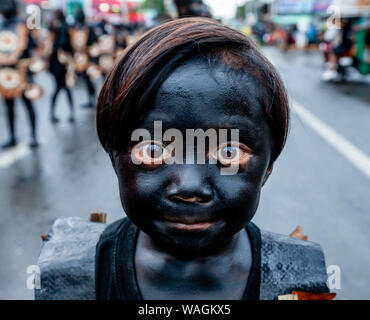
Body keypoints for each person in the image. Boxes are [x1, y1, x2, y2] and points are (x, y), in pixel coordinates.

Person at [35, 18, 330, 300]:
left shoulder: (299, 280)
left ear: (268, 166)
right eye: (152, 150)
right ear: (115, 156)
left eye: (229, 152)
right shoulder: (72, 272)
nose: (189, 188)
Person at [0, 0, 38, 149]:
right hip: (6, 72)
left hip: (22, 71)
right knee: (9, 106)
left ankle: (33, 135)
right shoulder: (1, 25)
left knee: (27, 103)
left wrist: (16, 56)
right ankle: (12, 137)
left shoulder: (22, 25)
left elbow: (30, 46)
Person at [48, 9, 75, 123]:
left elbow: (63, 44)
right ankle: (69, 113)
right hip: (60, 64)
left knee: (60, 88)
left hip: (60, 64)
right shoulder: (60, 28)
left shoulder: (61, 28)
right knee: (63, 88)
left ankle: (55, 113)